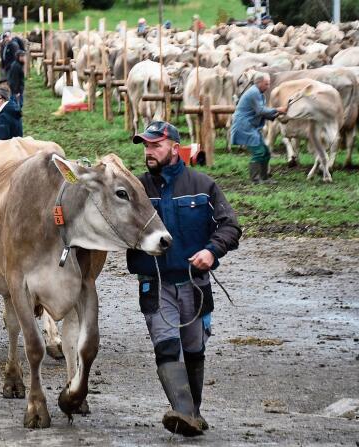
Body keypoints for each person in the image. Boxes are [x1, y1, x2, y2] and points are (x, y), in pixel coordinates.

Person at [127, 120, 241, 437]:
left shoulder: (203, 186)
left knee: (194, 349)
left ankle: (195, 412)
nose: (149, 152)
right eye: (146, 146)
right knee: (166, 346)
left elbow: (230, 227)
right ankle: (184, 413)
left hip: (195, 284)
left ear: (175, 148)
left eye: (156, 145)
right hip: (156, 282)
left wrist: (211, 251)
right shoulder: (135, 191)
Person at [230, 72, 286, 183]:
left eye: (269, 84)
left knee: (265, 152)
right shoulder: (254, 92)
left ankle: (264, 178)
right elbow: (260, 110)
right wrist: (278, 110)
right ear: (259, 82)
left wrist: (276, 114)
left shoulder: (259, 93)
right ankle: (255, 179)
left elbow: (262, 112)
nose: (268, 87)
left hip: (251, 127)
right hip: (245, 126)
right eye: (266, 84)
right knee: (259, 152)